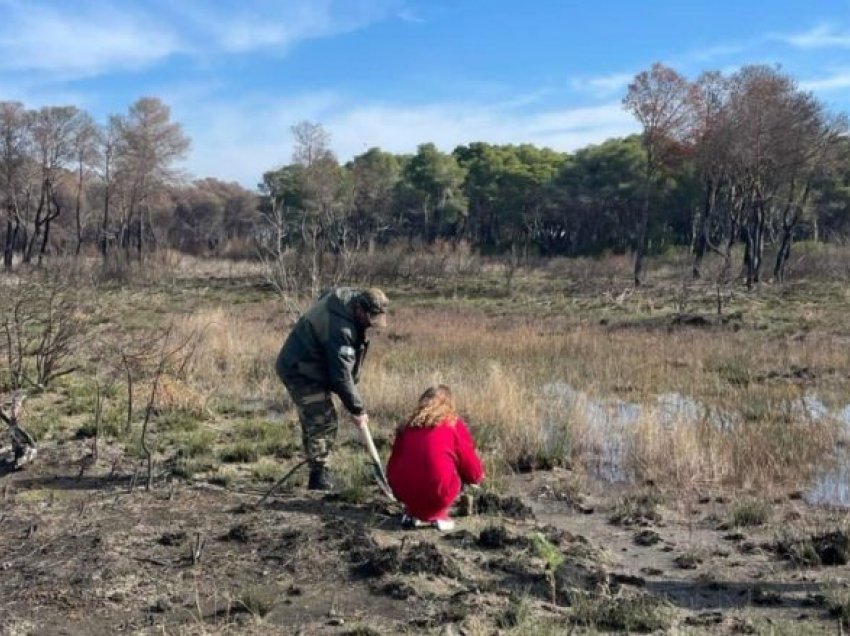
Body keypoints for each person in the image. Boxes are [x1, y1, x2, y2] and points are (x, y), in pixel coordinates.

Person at [275, 287, 388, 491]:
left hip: (310, 366)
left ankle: (316, 468)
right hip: (300, 370)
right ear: (360, 309)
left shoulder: (346, 300)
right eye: (370, 318)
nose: (371, 324)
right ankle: (318, 478)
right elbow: (341, 376)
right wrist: (357, 410)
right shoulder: (341, 329)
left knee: (316, 419)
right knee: (323, 421)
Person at [387, 385, 484, 531]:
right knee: (454, 465)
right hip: (439, 494)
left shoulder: (406, 426)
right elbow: (473, 471)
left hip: (404, 492)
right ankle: (438, 514)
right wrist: (473, 478)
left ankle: (415, 512)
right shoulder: (452, 424)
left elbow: (393, 465)